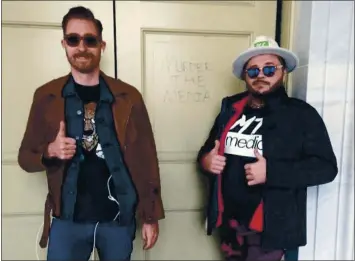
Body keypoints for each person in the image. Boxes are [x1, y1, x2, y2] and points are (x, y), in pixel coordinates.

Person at [18, 6, 164, 261]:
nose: (82, 47)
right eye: (73, 39)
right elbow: (25, 158)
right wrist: (50, 151)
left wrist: (150, 216)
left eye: (90, 40)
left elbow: (147, 159)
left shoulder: (128, 97)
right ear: (64, 43)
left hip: (118, 220)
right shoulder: (47, 96)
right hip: (67, 220)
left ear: (101, 45)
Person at [197, 35, 338, 261]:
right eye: (253, 71)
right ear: (245, 75)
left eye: (269, 69)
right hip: (230, 224)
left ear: (283, 72)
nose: (260, 75)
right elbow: (207, 150)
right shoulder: (230, 109)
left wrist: (271, 172)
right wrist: (206, 161)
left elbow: (326, 168)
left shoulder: (301, 115)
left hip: (269, 228)